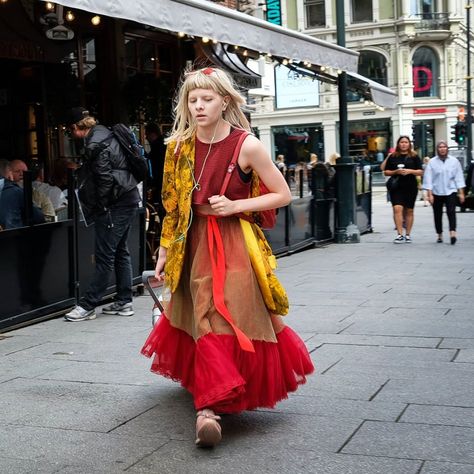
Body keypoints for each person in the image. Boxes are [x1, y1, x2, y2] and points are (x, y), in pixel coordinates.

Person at [140, 66, 314, 448]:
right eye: (193, 99)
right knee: (199, 313)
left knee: (226, 313)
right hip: (192, 241)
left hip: (233, 240)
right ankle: (210, 405)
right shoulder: (178, 146)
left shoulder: (246, 144)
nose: (199, 106)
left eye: (207, 99)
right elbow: (172, 206)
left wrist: (235, 206)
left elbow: (281, 194)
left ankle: (211, 404)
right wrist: (165, 251)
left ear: (225, 102)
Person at [64, 107, 141, 322]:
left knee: (105, 254)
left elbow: (104, 179)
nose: (71, 135)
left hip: (115, 204)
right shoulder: (104, 132)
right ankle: (124, 301)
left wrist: (102, 207)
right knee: (119, 251)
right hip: (128, 196)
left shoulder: (94, 142)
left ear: (76, 128)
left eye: (70, 130)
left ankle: (88, 305)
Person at [423, 140, 465, 244]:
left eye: (444, 147)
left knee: (451, 212)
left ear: (447, 148)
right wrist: (430, 194)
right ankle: (439, 234)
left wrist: (461, 192)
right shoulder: (432, 162)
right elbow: (428, 178)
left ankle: (452, 233)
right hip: (437, 191)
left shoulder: (454, 161)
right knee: (437, 214)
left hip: (450, 190)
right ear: (437, 149)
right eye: (440, 147)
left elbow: (458, 177)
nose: (442, 149)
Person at [383, 136, 423, 243]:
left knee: (409, 210)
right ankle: (400, 234)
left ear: (409, 144)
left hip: (410, 186)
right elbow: (386, 171)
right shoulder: (393, 156)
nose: (404, 144)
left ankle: (408, 234)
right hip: (396, 187)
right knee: (397, 209)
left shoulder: (414, 156)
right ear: (398, 144)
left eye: (406, 142)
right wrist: (396, 172)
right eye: (402, 142)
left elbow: (421, 171)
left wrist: (410, 171)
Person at [0, 159, 45, 230]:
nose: (22, 174)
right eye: (17, 171)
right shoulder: (14, 191)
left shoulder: (38, 194)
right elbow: (39, 217)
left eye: (25, 172)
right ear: (9, 174)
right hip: (13, 237)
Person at [145, 122, 167, 221]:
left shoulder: (156, 148)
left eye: (147, 134)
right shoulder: (163, 145)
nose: (146, 137)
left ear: (153, 134)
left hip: (160, 183)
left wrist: (153, 184)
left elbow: (157, 169)